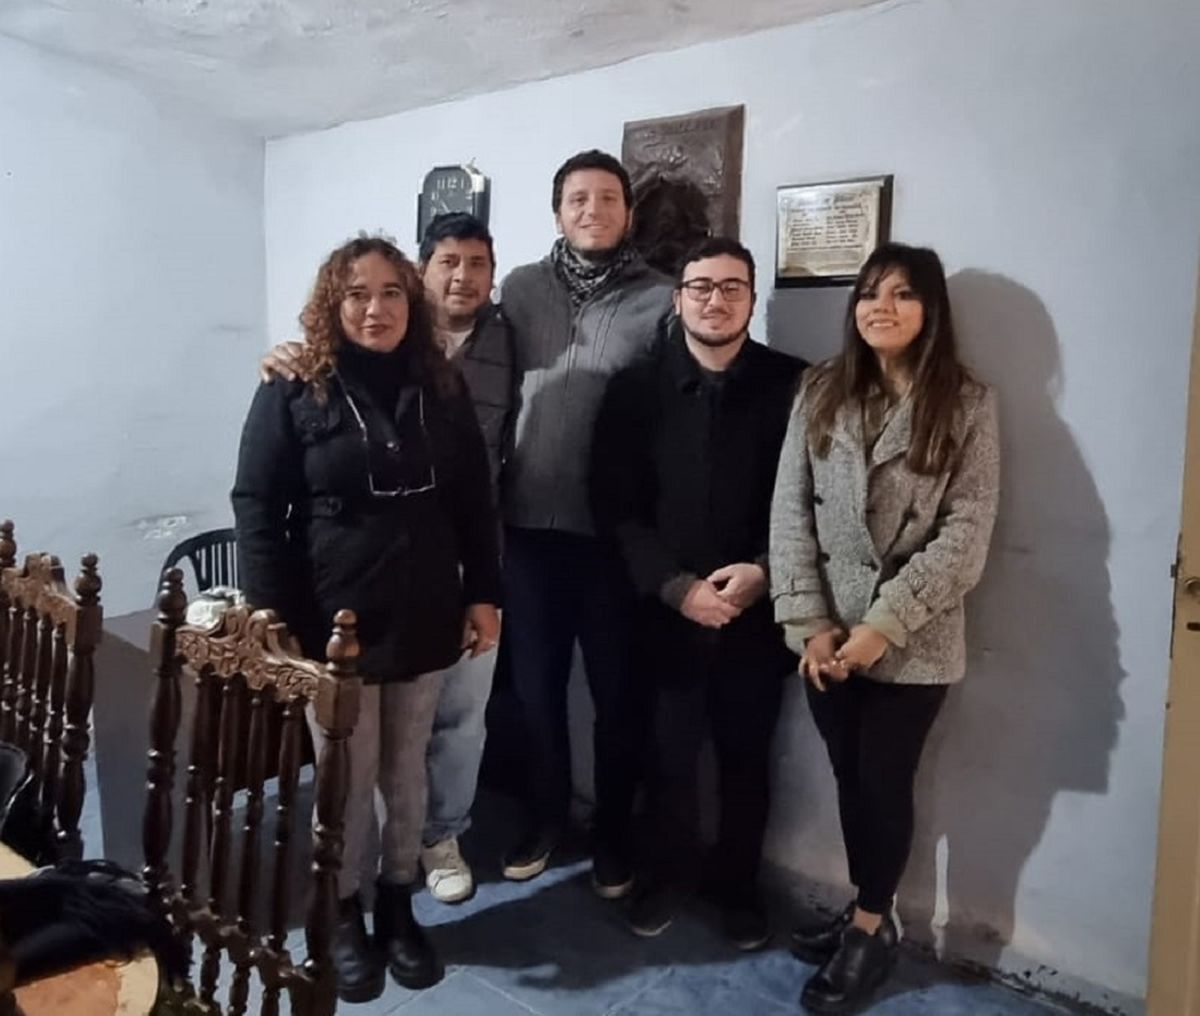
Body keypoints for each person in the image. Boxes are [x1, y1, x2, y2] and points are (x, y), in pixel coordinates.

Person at [232, 236, 501, 1001]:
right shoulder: (294, 386)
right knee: (345, 780)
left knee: (407, 769)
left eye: (390, 293)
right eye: (356, 294)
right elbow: (256, 504)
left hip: (424, 610)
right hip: (331, 622)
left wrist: (484, 594)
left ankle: (396, 904)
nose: (375, 308)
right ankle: (343, 910)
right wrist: (271, 616)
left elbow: (474, 499)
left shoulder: (439, 383)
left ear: (410, 302)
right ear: (333, 303)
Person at [769, 242, 1000, 1013]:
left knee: (883, 783)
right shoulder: (821, 388)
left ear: (931, 309)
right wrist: (810, 622)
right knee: (848, 778)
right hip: (827, 637)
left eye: (903, 294)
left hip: (913, 640)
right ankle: (869, 909)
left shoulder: (966, 403)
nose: (882, 307)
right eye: (870, 293)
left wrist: (883, 626)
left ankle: (870, 930)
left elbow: (966, 535)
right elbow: (789, 512)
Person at [591, 238, 804, 950]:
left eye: (732, 287)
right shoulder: (633, 388)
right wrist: (676, 587)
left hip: (758, 610)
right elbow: (615, 506)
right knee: (667, 758)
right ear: (678, 297)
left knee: (748, 759)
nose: (716, 300)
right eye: (702, 287)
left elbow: (811, 501)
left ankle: (739, 888)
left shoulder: (795, 386)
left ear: (752, 298)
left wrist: (764, 571)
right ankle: (666, 875)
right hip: (663, 610)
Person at [498, 149, 674, 897]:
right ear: (557, 212)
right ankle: (545, 818)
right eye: (577, 198)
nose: (592, 210)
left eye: (607, 197)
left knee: (617, 698)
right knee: (536, 693)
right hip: (526, 532)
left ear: (627, 212)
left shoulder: (660, 297)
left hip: (611, 538)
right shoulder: (519, 287)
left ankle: (613, 835)